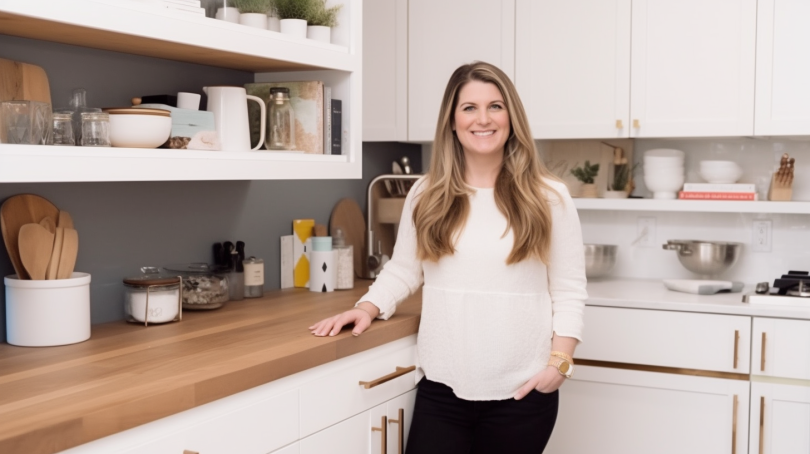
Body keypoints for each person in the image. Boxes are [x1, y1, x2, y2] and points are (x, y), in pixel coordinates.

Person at [309, 61, 587, 453]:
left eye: (495, 106)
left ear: (512, 117)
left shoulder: (548, 196)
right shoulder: (426, 193)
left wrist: (559, 364)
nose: (483, 119)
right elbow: (405, 269)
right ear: (452, 122)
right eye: (469, 108)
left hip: (523, 394)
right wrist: (368, 306)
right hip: (443, 390)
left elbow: (569, 288)